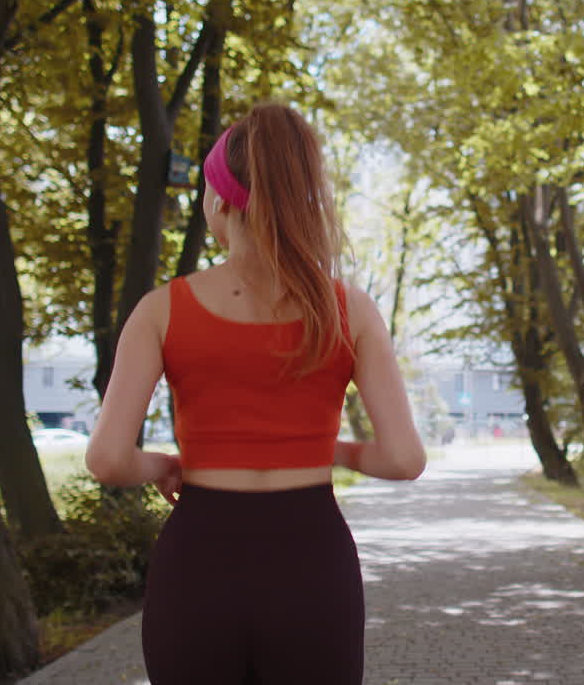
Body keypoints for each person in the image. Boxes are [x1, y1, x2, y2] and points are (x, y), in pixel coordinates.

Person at [85, 101, 426, 684]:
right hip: (312, 562)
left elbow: (108, 459)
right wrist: (331, 449)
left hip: (199, 562)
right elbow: (403, 460)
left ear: (218, 200)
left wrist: (168, 463)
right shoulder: (350, 311)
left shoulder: (160, 311)